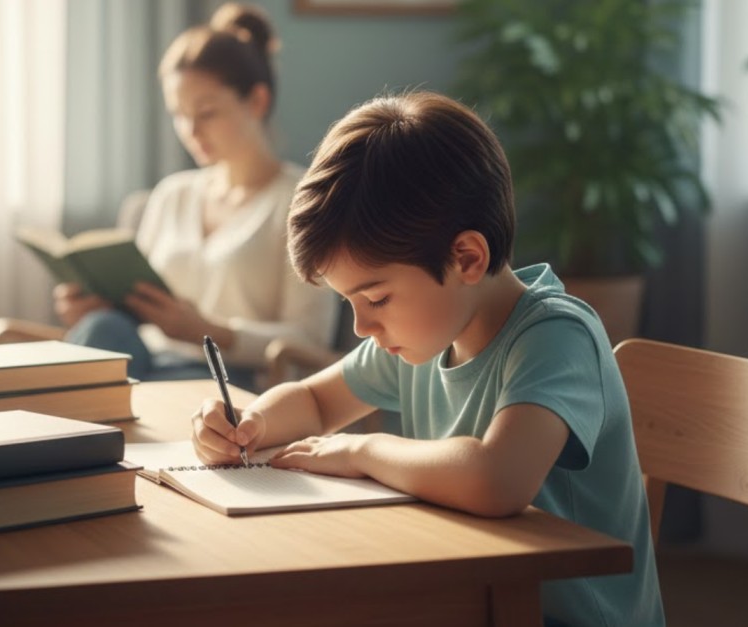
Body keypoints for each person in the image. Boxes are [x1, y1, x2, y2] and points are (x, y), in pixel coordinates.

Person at [191, 91, 665, 626]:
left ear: (466, 258)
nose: (361, 327)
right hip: (472, 597)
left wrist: (362, 450)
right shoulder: (425, 336)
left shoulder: (557, 336)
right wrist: (249, 424)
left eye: (376, 299)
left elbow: (497, 480)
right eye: (349, 303)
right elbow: (315, 402)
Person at [53, 3, 337, 388]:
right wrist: (93, 306)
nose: (190, 130)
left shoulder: (304, 202)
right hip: (147, 360)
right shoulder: (172, 194)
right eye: (179, 114)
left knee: (116, 384)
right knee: (103, 327)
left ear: (257, 101)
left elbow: (311, 341)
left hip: (230, 377)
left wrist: (209, 332)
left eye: (206, 113)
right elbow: (136, 311)